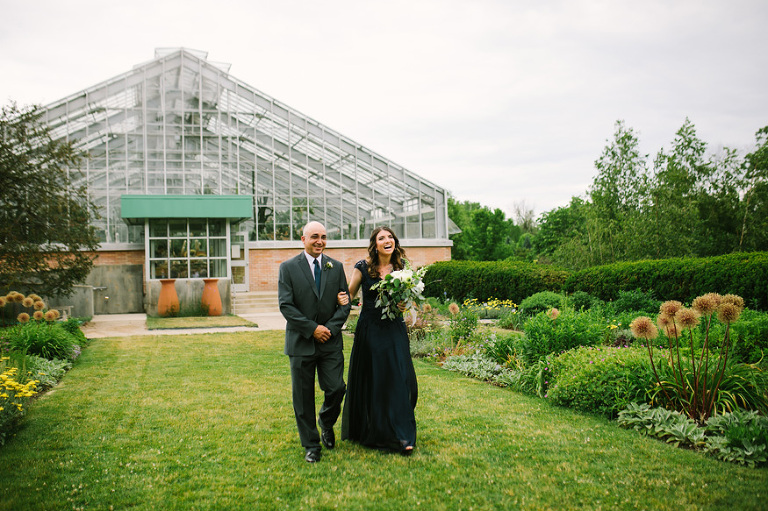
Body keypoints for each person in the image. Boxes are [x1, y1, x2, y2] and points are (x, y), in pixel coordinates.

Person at [338, 226, 418, 455]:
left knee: (402, 380)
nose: (387, 240)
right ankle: (384, 433)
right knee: (376, 380)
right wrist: (339, 298)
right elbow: (349, 294)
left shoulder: (402, 268)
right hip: (371, 330)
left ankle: (402, 430)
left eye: (390, 237)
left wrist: (405, 304)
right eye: (381, 238)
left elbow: (408, 297)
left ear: (394, 242)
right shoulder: (363, 267)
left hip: (394, 329)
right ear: (375, 245)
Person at [278, 221, 351, 463]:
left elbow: (345, 302)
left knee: (337, 388)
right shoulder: (288, 268)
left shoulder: (336, 266)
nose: (319, 241)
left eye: (323, 237)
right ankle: (311, 445)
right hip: (301, 343)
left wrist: (328, 329)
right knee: (303, 397)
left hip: (330, 343)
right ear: (303, 239)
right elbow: (285, 305)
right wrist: (312, 329)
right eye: (314, 237)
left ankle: (326, 423)